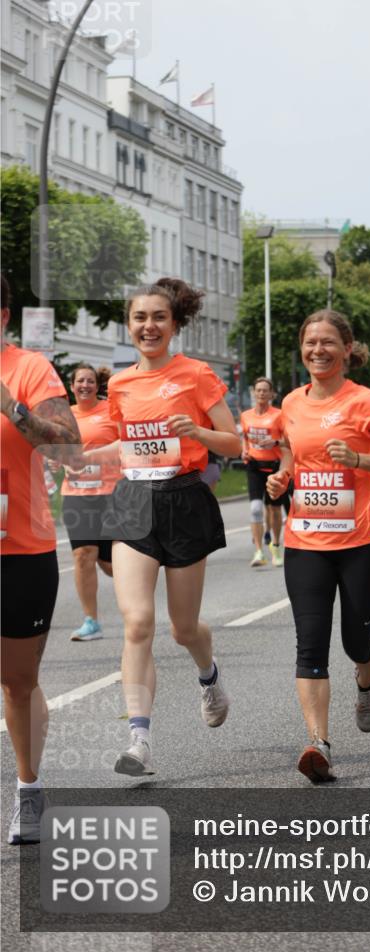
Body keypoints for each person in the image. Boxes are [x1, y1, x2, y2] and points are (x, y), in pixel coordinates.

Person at [84, 278, 241, 777]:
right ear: (129, 325)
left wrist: (198, 432)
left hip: (183, 499)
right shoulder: (120, 383)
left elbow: (234, 445)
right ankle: (140, 740)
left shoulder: (196, 375)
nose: (147, 326)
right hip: (133, 500)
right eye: (139, 318)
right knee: (136, 624)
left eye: (158, 317)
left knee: (182, 627)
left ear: (174, 325)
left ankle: (208, 675)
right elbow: (128, 445)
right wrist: (81, 459)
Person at [266, 310, 370, 783]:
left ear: (347, 349)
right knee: (309, 643)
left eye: (328, 342)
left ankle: (367, 680)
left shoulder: (364, 402)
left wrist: (359, 459)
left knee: (354, 640)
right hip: (305, 538)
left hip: (361, 540)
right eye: (310, 342)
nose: (318, 350)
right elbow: (290, 447)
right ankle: (318, 743)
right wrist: (284, 475)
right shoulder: (290, 402)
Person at [1, 274, 81, 843]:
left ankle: (29, 787)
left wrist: (14, 410)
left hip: (19, 549)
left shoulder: (28, 369)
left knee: (16, 682)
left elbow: (71, 450)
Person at [51, 363, 121, 641]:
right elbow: (57, 453)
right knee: (83, 556)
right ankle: (91, 620)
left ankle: (138, 598)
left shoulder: (110, 411)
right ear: (72, 386)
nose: (85, 385)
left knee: (110, 563)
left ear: (97, 385)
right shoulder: (63, 416)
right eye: (80, 381)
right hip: (76, 495)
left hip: (110, 494)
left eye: (90, 381)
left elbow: (126, 446)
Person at [240, 377, 288, 567]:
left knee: (275, 509)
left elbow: (287, 440)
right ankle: (259, 551)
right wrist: (244, 450)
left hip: (274, 466)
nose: (261, 393)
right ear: (254, 392)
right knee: (255, 509)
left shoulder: (279, 415)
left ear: (271, 394)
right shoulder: (246, 415)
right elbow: (245, 436)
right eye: (258, 390)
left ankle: (275, 545)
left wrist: (276, 445)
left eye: (264, 390)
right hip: (254, 465)